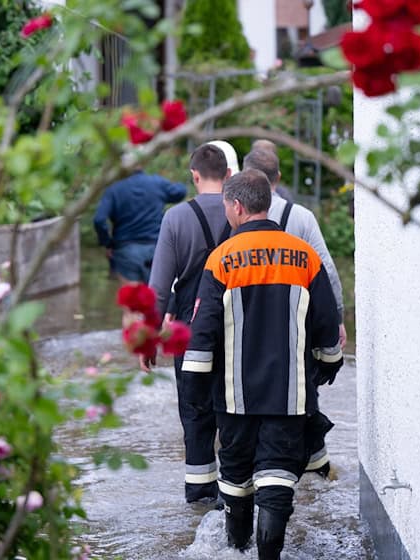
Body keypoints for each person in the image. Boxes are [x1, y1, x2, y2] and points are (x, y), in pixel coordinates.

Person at [181, 169, 343, 559]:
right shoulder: (303, 256)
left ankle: (237, 549)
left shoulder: (221, 259)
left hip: (234, 401)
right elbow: (327, 326)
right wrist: (327, 365)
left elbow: (201, 333)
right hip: (290, 398)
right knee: (278, 479)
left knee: (236, 481)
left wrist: (195, 391)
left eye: (226, 206)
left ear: (236, 206)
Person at [242, 146, 347, 478]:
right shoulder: (301, 217)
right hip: (297, 322)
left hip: (249, 321)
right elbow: (326, 270)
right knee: (304, 391)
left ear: (245, 177)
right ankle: (315, 469)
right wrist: (337, 317)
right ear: (279, 178)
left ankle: (258, 467)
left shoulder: (235, 212)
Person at [143, 143, 231, 504]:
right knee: (234, 412)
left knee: (195, 415)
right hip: (235, 330)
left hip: (190, 333)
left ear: (194, 175)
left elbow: (159, 288)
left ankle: (198, 500)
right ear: (228, 175)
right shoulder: (241, 213)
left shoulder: (176, 219)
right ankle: (237, 498)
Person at [93, 169, 186, 284]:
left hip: (126, 252)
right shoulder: (157, 183)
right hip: (156, 249)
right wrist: (176, 183)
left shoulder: (114, 189)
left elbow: (99, 220)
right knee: (157, 296)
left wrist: (107, 243)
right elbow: (180, 192)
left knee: (132, 299)